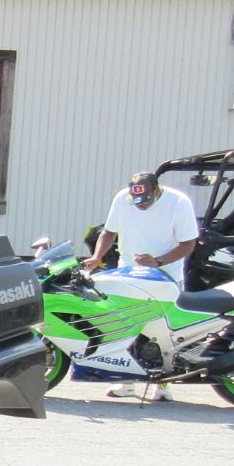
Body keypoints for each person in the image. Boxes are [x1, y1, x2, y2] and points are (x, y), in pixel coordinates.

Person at [86, 167, 199, 401]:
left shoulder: (178, 203)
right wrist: (97, 257)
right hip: (128, 272)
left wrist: (158, 261)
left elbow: (189, 243)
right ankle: (126, 381)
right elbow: (109, 232)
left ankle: (163, 385)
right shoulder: (122, 199)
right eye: (135, 201)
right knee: (126, 325)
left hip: (166, 275)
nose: (140, 205)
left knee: (163, 331)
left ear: (157, 191)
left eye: (145, 201)